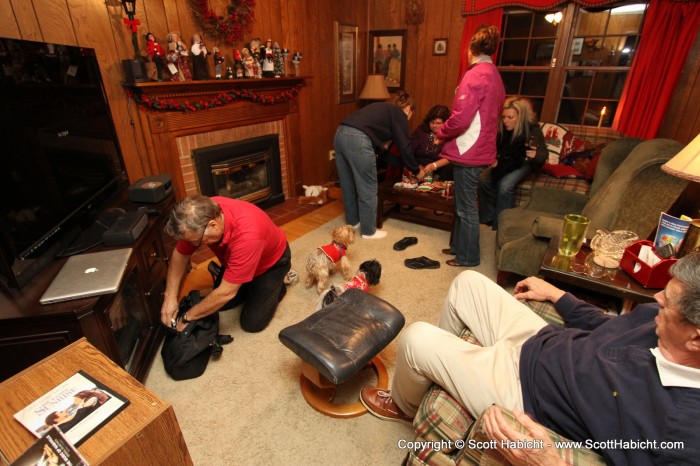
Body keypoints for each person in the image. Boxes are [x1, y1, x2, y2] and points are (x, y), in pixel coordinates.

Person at [360, 254, 700, 465]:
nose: (657, 300)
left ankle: (405, 407)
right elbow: (610, 325)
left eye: (667, 301)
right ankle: (443, 375)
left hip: (525, 392)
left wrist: (553, 463)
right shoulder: (655, 319)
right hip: (542, 338)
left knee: (417, 338)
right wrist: (558, 295)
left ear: (695, 338)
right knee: (466, 283)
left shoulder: (683, 427)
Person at [160, 195, 291, 333]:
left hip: (271, 265)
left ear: (213, 225)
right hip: (236, 259)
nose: (193, 245)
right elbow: (180, 253)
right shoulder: (199, 214)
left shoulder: (248, 236)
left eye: (196, 242)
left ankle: (278, 286)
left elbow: (225, 293)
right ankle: (243, 280)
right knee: (220, 305)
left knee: (252, 323)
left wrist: (188, 317)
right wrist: (169, 297)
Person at [435, 24, 505, 267]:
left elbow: (461, 118)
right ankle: (458, 246)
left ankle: (468, 257)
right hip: (482, 148)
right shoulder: (494, 75)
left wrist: (441, 133)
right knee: (461, 204)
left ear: (470, 49)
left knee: (466, 209)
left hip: (469, 150)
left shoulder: (476, 75)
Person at [333, 91, 425, 239]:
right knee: (368, 187)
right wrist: (416, 170)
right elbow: (404, 146)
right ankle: (369, 231)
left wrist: (403, 165)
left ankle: (353, 222)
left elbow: (384, 152)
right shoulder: (399, 114)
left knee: (348, 184)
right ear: (409, 109)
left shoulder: (383, 111)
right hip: (359, 139)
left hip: (340, 134)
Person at [478, 97, 547, 229]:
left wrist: (536, 155)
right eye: (503, 117)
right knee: (483, 179)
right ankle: (488, 218)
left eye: (510, 117)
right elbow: (496, 146)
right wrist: (495, 157)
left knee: (505, 185)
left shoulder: (532, 129)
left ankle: (502, 225)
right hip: (505, 159)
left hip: (524, 162)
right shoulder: (502, 127)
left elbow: (543, 154)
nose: (505, 121)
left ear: (521, 117)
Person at [410, 104, 452, 181]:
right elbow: (409, 151)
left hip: (439, 172)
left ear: (446, 123)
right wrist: (416, 168)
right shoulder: (420, 131)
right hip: (418, 170)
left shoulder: (449, 135)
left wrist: (434, 166)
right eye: (432, 122)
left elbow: (451, 157)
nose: (434, 126)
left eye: (438, 123)